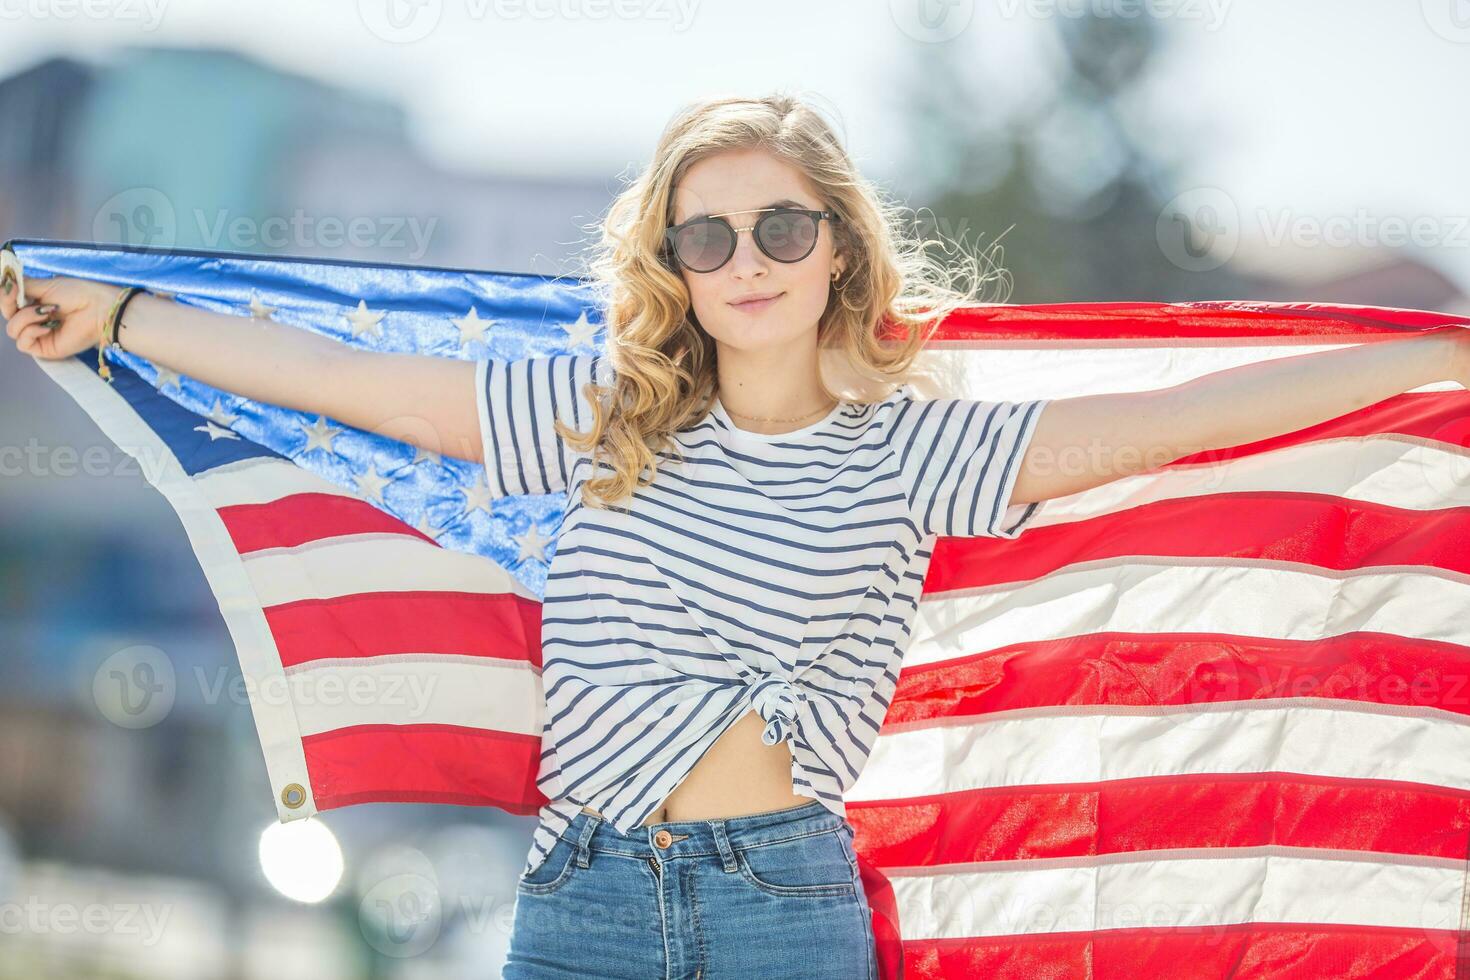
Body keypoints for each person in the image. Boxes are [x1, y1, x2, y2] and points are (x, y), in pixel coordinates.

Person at [4, 93, 1467, 979]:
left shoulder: (918, 450)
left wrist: (1427, 361)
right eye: (705, 237)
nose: (745, 262)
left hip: (783, 908)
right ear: (672, 268)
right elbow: (349, 382)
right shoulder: (598, 412)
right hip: (578, 898)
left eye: (779, 227)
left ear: (836, 242)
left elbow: (1194, 416)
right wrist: (127, 317)